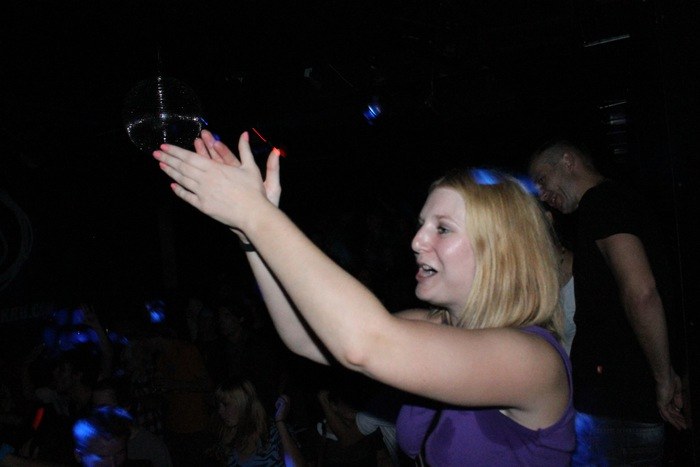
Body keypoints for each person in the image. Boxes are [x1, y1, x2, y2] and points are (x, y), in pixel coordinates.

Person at [151, 129, 575, 465]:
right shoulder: (430, 325)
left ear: (499, 250)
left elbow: (364, 344)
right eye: (422, 224)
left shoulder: (534, 360)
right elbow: (303, 339)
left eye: (442, 228)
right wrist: (250, 236)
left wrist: (257, 215)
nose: (417, 241)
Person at [529, 139, 687, 464]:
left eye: (543, 180)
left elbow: (641, 292)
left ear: (568, 161)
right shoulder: (619, 199)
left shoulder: (602, 201)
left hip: (616, 407)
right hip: (624, 403)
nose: (542, 194)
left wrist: (663, 379)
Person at [207, 377, 306, 467]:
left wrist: (280, 421)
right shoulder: (228, 441)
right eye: (219, 406)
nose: (220, 411)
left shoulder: (273, 433)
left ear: (243, 403)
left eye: (226, 404)